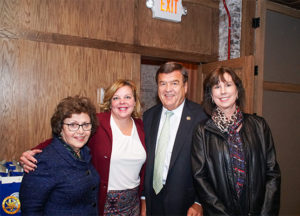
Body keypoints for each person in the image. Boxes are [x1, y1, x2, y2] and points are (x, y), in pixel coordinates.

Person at [19, 80, 147, 216]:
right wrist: (32, 152)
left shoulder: (142, 126)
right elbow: (64, 138)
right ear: (110, 103)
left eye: (127, 97)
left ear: (135, 101)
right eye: (116, 98)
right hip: (104, 201)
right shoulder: (96, 122)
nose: (122, 102)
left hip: (133, 202)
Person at [191, 66, 281, 215]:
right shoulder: (202, 131)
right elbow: (200, 178)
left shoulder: (259, 125)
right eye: (217, 86)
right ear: (211, 95)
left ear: (237, 91)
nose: (223, 91)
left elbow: (272, 174)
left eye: (228, 85)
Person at [143, 62, 207, 215]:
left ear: (185, 87)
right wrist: (143, 197)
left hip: (186, 203)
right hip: (152, 201)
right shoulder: (148, 116)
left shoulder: (202, 117)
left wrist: (199, 202)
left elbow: (209, 165)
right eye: (162, 83)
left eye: (174, 83)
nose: (168, 89)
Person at [20, 96, 100, 215]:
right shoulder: (43, 163)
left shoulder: (84, 154)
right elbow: (31, 210)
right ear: (60, 128)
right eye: (73, 125)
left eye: (85, 124)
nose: (81, 131)